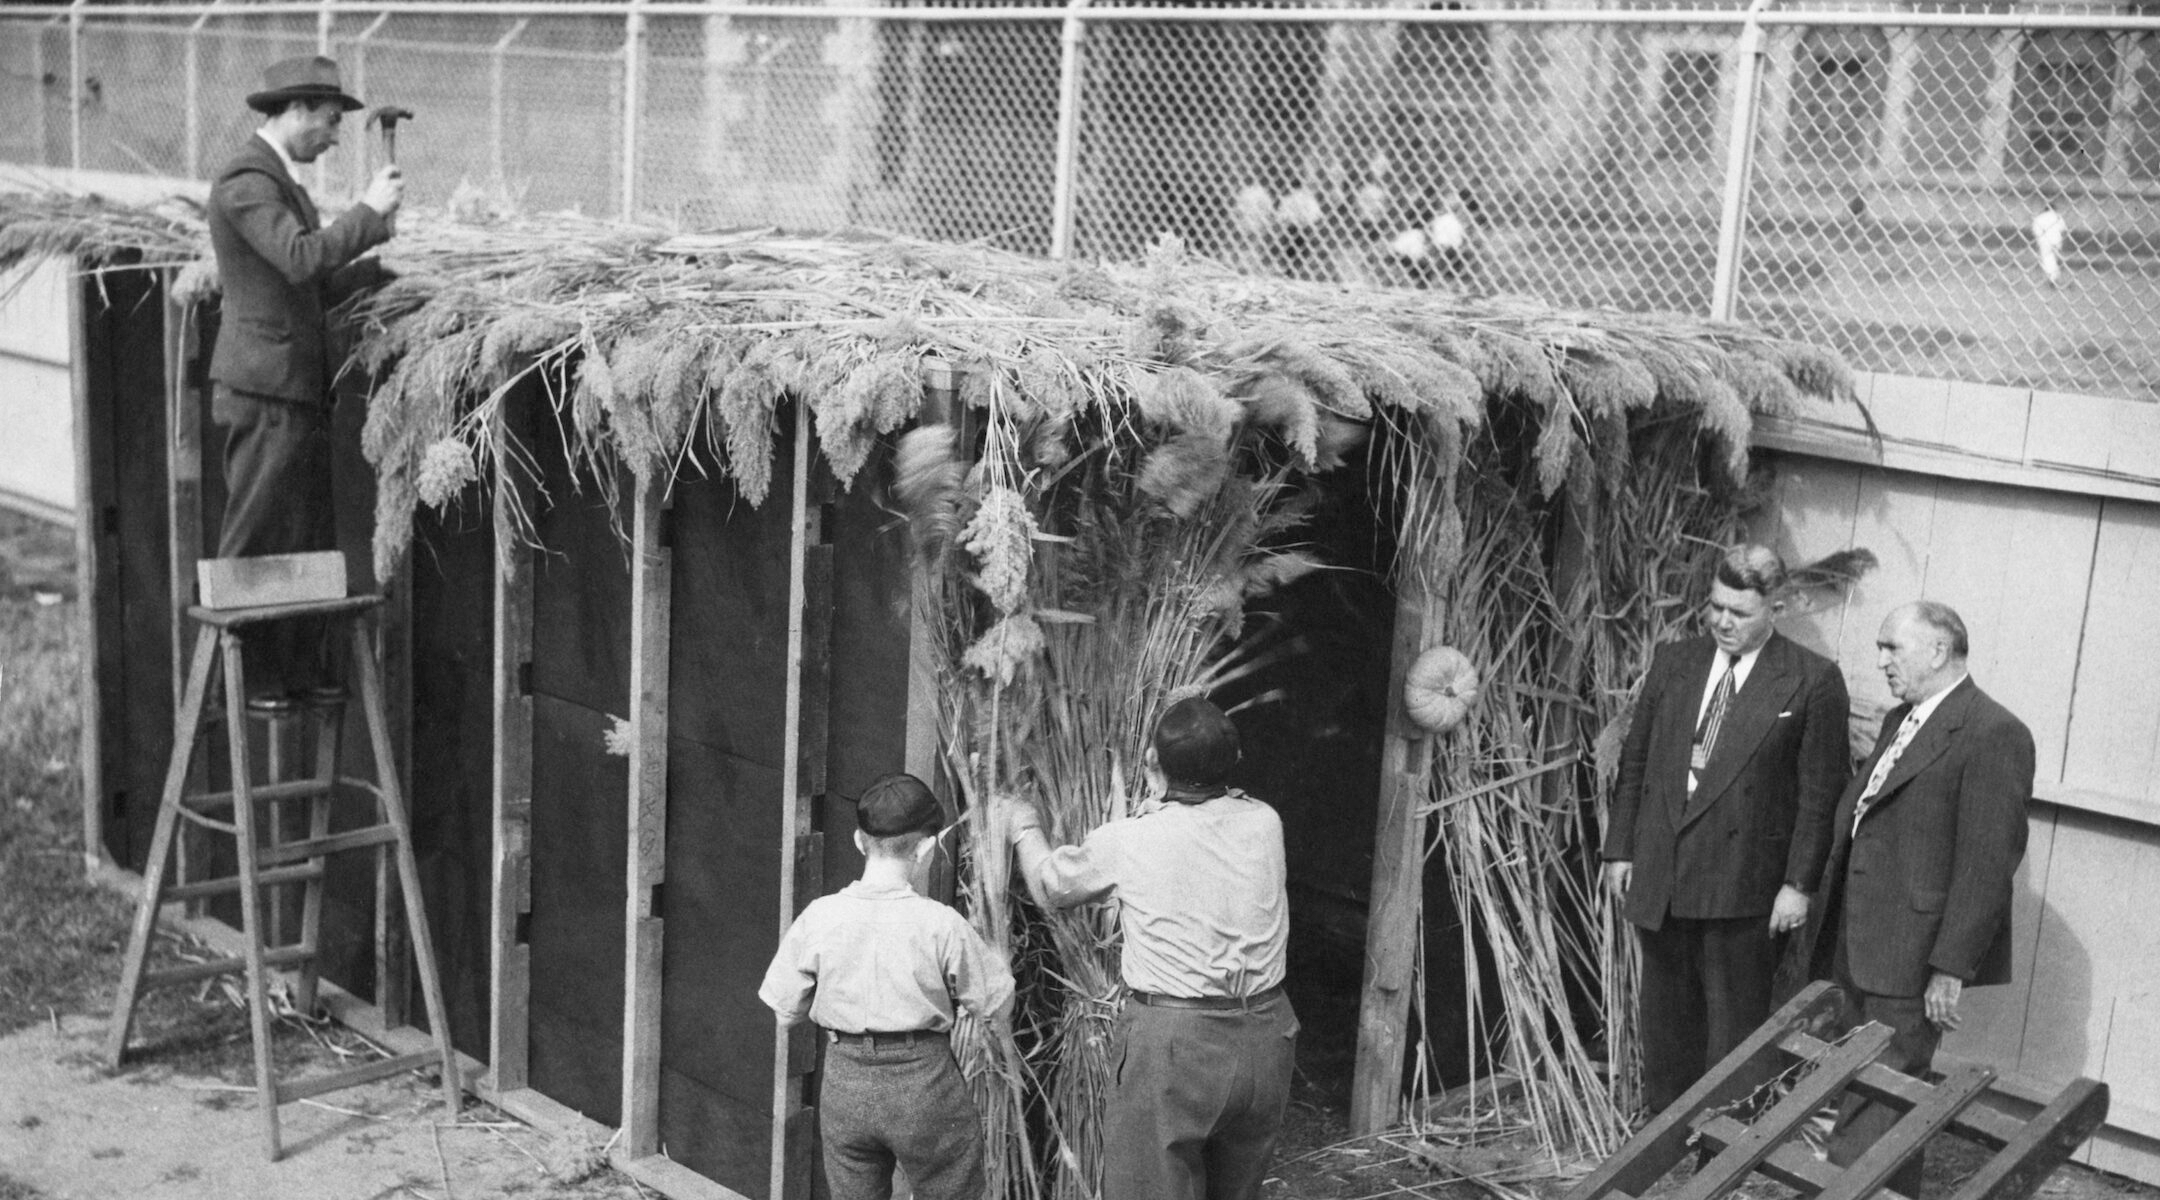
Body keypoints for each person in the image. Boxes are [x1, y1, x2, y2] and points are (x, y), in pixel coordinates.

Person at [996, 697, 1296, 1200]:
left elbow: (1050, 887)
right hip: (1268, 1039)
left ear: (1153, 765)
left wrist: (1024, 824)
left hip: (1178, 1048)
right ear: (1237, 758)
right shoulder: (1266, 822)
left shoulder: (1131, 840)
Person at [1602, 544, 1850, 1116]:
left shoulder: (1811, 681)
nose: (1722, 622)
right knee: (1666, 1029)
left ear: (1778, 608)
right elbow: (1637, 762)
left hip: (1744, 890)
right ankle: (1662, 1139)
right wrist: (1621, 850)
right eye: (1715, 607)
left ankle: (1719, 1155)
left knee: (1732, 1036)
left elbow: (1820, 797)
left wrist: (1799, 884)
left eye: (1739, 612)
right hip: (1663, 876)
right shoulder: (1675, 662)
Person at [1808, 602, 2032, 1197]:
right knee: (1873, 1092)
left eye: (1891, 648)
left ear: (1937, 651)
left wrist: (1949, 968)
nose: (1880, 661)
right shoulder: (1900, 721)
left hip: (1913, 957)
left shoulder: (1993, 733)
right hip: (1861, 945)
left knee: (1880, 1095)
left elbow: (1988, 864)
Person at [207, 54, 402, 706]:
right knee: (261, 532)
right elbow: (298, 260)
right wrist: (367, 213)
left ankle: (295, 672)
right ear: (291, 111)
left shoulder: (282, 183)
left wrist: (379, 267)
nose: (334, 133)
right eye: (326, 119)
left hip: (294, 391)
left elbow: (315, 284)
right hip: (264, 391)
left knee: (304, 535)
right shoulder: (245, 179)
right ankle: (243, 679)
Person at [758, 773, 1014, 1200]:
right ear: (926, 847)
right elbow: (997, 1004)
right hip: (924, 1084)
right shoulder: (940, 924)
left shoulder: (820, 916)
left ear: (859, 841)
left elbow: (785, 1013)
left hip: (846, 1083)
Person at [2031, 199, 2067, 287]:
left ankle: (2053, 278)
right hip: (2057, 240)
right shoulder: (2058, 216)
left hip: (2045, 240)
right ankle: (2055, 275)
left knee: (2047, 259)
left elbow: (2036, 231)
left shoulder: (2040, 217)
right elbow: (2063, 229)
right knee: (2053, 258)